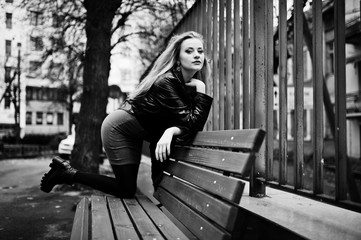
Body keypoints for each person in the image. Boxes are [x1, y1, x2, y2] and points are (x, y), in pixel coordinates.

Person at [40, 31, 213, 198]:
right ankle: (67, 174)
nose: (197, 55)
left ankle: (66, 174)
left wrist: (171, 132)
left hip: (137, 131)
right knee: (126, 189)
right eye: (189, 51)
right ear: (177, 58)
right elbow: (192, 124)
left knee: (127, 190)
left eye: (200, 51)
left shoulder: (185, 86)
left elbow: (182, 128)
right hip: (119, 129)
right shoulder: (167, 82)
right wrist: (202, 89)